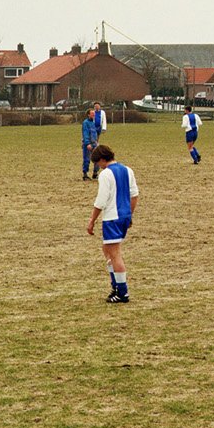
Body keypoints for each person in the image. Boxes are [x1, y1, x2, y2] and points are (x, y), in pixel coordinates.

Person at [86, 143, 139, 303]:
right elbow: (134, 195)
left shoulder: (106, 174)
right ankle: (115, 285)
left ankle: (122, 292)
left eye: (98, 163)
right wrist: (129, 215)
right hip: (123, 216)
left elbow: (101, 201)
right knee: (107, 249)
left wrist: (92, 220)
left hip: (112, 218)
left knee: (115, 254)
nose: (99, 166)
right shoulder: (128, 170)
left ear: (102, 159)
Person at [81, 105, 100, 180]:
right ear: (88, 115)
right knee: (87, 159)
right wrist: (87, 143)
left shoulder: (94, 123)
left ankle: (95, 173)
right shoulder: (85, 123)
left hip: (94, 144)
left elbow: (95, 133)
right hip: (88, 144)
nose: (93, 115)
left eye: (94, 114)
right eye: (92, 114)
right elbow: (85, 133)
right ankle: (85, 174)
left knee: (98, 158)